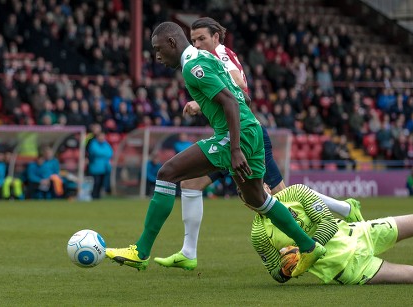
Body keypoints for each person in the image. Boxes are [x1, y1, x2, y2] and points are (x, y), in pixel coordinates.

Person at [106, 21, 325, 277]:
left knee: (167, 173)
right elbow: (242, 95)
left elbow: (231, 102)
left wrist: (234, 149)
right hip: (251, 129)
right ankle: (310, 247)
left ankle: (141, 252)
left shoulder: (193, 66)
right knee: (258, 199)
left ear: (172, 43)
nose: (156, 56)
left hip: (237, 135)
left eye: (158, 49)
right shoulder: (205, 58)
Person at [153, 17, 362, 271]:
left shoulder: (220, 54)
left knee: (281, 196)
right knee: (191, 183)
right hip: (228, 137)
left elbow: (238, 87)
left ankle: (339, 212)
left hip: (244, 135)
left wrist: (203, 101)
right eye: (194, 39)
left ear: (216, 38)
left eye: (202, 39)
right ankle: (188, 251)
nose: (196, 44)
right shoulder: (199, 59)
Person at [251, 183, 413, 285]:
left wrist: (308, 251)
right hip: (348, 268)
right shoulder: (258, 233)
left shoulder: (296, 191)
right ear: (247, 204)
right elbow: (275, 272)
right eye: (248, 196)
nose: (256, 195)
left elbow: (328, 223)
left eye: (259, 187)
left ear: (267, 186)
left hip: (358, 233)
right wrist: (287, 269)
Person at [87, 132, 113, 199]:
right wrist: (104, 154)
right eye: (101, 136)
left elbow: (110, 153)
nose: (102, 138)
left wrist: (102, 154)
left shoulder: (106, 144)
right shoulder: (93, 144)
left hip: (105, 168)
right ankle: (93, 196)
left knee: (102, 184)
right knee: (96, 183)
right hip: (95, 168)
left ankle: (98, 197)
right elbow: (96, 152)